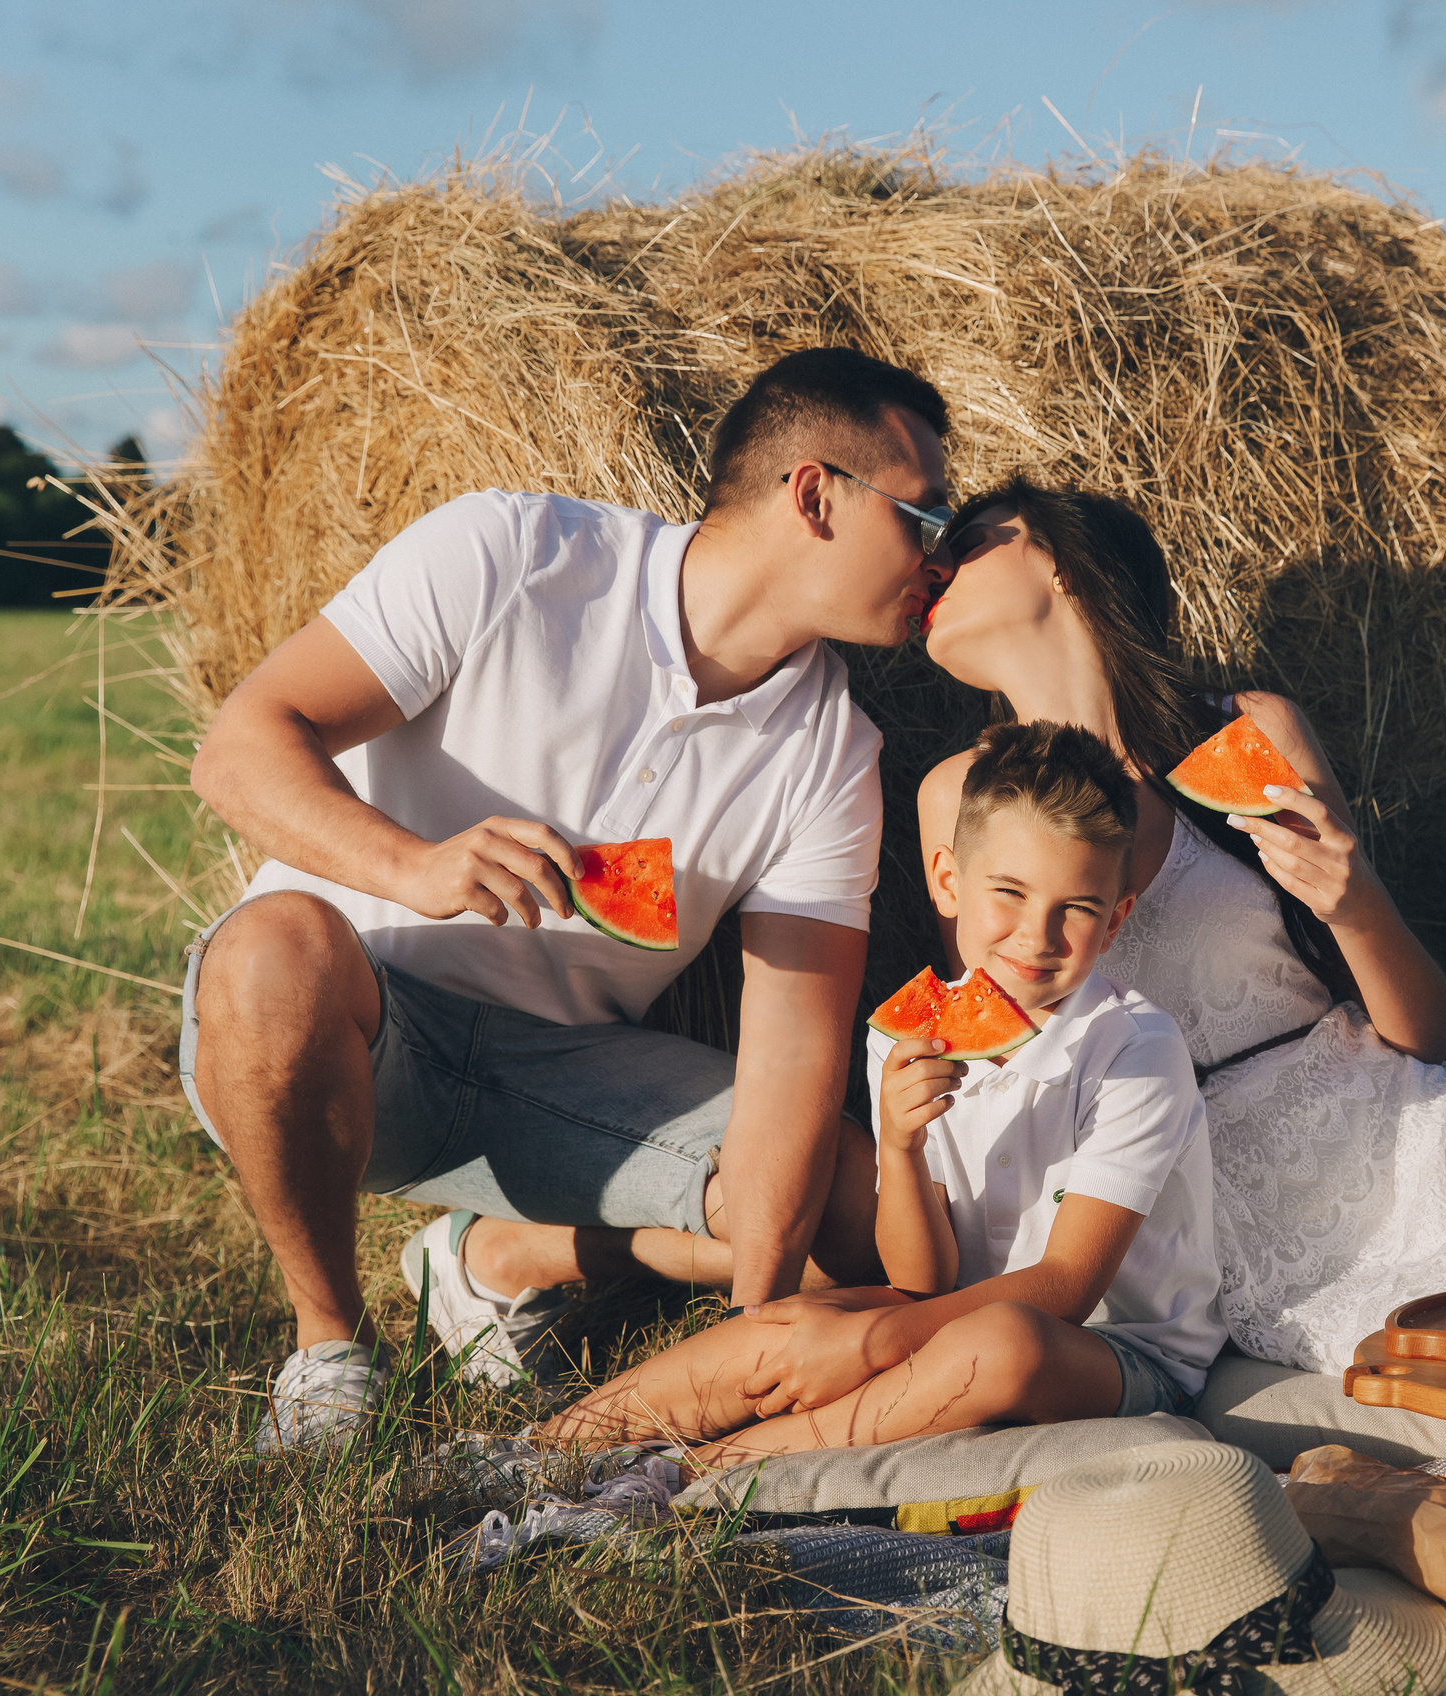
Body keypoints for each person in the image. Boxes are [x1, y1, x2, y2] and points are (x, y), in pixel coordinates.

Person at [182, 347, 957, 1452]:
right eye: (922, 519)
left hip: (564, 1084)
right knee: (271, 949)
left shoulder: (832, 752)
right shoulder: (512, 551)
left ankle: (491, 1257)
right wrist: (417, 868)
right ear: (816, 494)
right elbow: (238, 751)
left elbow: (793, 1056)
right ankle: (331, 1348)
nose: (941, 559)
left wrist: (750, 1333)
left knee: (853, 1202)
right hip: (345, 1032)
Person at [915, 477, 1446, 1375]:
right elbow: (1000, 1059)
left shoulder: (1250, 730)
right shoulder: (956, 798)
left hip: (1402, 1126)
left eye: (966, 542)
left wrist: (1356, 904)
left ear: (1058, 562)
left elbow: (1425, 1032)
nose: (932, 564)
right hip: (1195, 1192)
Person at [539, 721, 1222, 1456]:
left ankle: (723, 1465)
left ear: (1115, 921)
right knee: (786, 1325)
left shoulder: (1138, 1051)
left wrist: (875, 1339)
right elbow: (923, 1278)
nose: (1037, 935)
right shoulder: (905, 1033)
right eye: (1010, 893)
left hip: (1118, 1353)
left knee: (1005, 1341)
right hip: (948, 1310)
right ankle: (539, 1451)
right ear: (948, 881)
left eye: (1076, 910)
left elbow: (1066, 1287)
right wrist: (898, 1147)